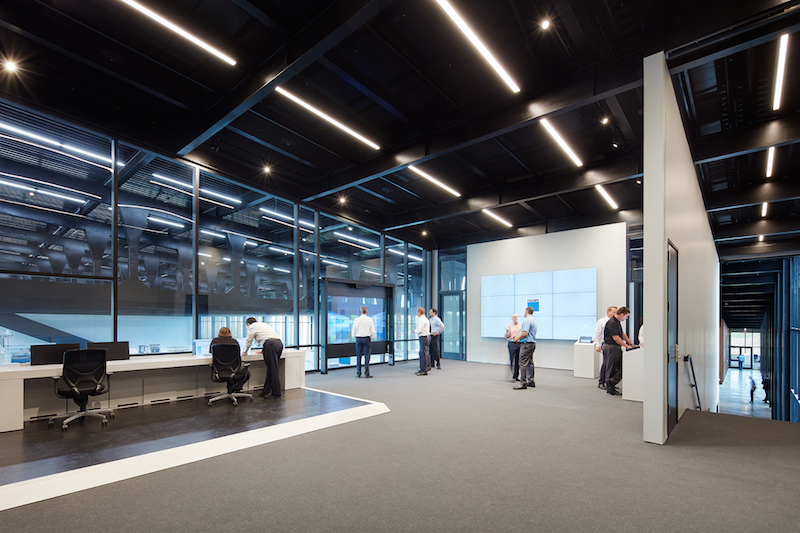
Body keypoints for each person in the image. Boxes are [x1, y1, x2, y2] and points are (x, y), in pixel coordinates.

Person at [242, 317, 283, 399]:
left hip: (270, 345)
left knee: (273, 369)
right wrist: (264, 350)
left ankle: (276, 392)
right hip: (278, 344)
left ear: (248, 324)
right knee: (271, 368)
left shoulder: (252, 326)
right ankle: (266, 390)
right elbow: (268, 337)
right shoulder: (263, 324)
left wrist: (244, 352)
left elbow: (248, 340)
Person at [603, 306, 633, 396]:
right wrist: (627, 346)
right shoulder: (612, 323)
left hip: (614, 347)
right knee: (612, 367)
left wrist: (631, 343)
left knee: (619, 366)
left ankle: (611, 383)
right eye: (626, 316)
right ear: (622, 314)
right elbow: (616, 338)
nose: (626, 318)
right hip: (611, 347)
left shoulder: (617, 322)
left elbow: (622, 334)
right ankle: (610, 386)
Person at [210, 326, 249, 392]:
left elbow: (211, 353)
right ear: (229, 333)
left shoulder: (214, 341)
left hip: (219, 370)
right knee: (247, 373)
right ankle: (236, 388)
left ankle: (232, 388)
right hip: (234, 369)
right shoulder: (234, 342)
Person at [513, 307, 537, 389]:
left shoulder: (527, 320)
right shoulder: (533, 320)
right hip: (532, 344)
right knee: (530, 362)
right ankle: (531, 381)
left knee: (522, 362)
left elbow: (525, 333)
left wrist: (518, 338)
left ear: (526, 311)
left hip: (526, 344)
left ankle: (523, 383)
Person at [594, 306, 617, 390]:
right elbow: (597, 334)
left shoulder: (615, 322)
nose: (615, 314)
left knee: (613, 365)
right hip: (606, 344)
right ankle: (601, 382)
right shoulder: (601, 321)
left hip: (614, 345)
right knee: (606, 364)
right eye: (614, 312)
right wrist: (598, 345)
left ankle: (610, 382)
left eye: (616, 312)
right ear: (608, 312)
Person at [351, 306, 376, 378]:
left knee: (358, 356)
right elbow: (372, 331)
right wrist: (371, 338)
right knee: (367, 356)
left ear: (360, 312)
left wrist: (355, 338)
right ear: (367, 312)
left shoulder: (356, 320)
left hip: (358, 338)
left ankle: (358, 373)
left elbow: (353, 331)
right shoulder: (370, 320)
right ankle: (366, 373)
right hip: (367, 339)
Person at [504, 314, 522, 381]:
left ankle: (516, 376)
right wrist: (507, 331)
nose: (515, 318)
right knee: (512, 360)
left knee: (518, 360)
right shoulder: (509, 326)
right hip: (511, 343)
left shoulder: (520, 325)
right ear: (512, 318)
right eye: (514, 317)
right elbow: (506, 336)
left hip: (519, 343)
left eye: (516, 317)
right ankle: (513, 376)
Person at [414, 307, 430, 375]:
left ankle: (424, 370)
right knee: (424, 353)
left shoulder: (421, 320)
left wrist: (415, 331)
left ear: (419, 312)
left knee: (423, 354)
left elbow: (420, 330)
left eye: (417, 312)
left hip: (423, 337)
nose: (417, 313)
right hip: (426, 337)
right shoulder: (426, 319)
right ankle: (423, 369)